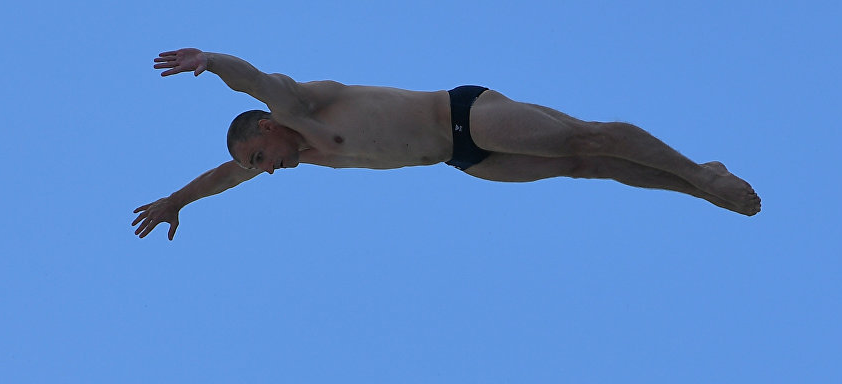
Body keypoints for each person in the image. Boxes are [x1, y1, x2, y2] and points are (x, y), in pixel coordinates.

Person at [133, 48, 761, 240]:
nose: (263, 172)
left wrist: (213, 62)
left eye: (259, 160)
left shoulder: (301, 108)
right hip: (464, 159)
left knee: (582, 135)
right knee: (582, 164)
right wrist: (175, 200)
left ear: (266, 128)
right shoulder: (302, 158)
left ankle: (701, 175)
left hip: (466, 116)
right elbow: (223, 175)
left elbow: (258, 81)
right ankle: (696, 182)